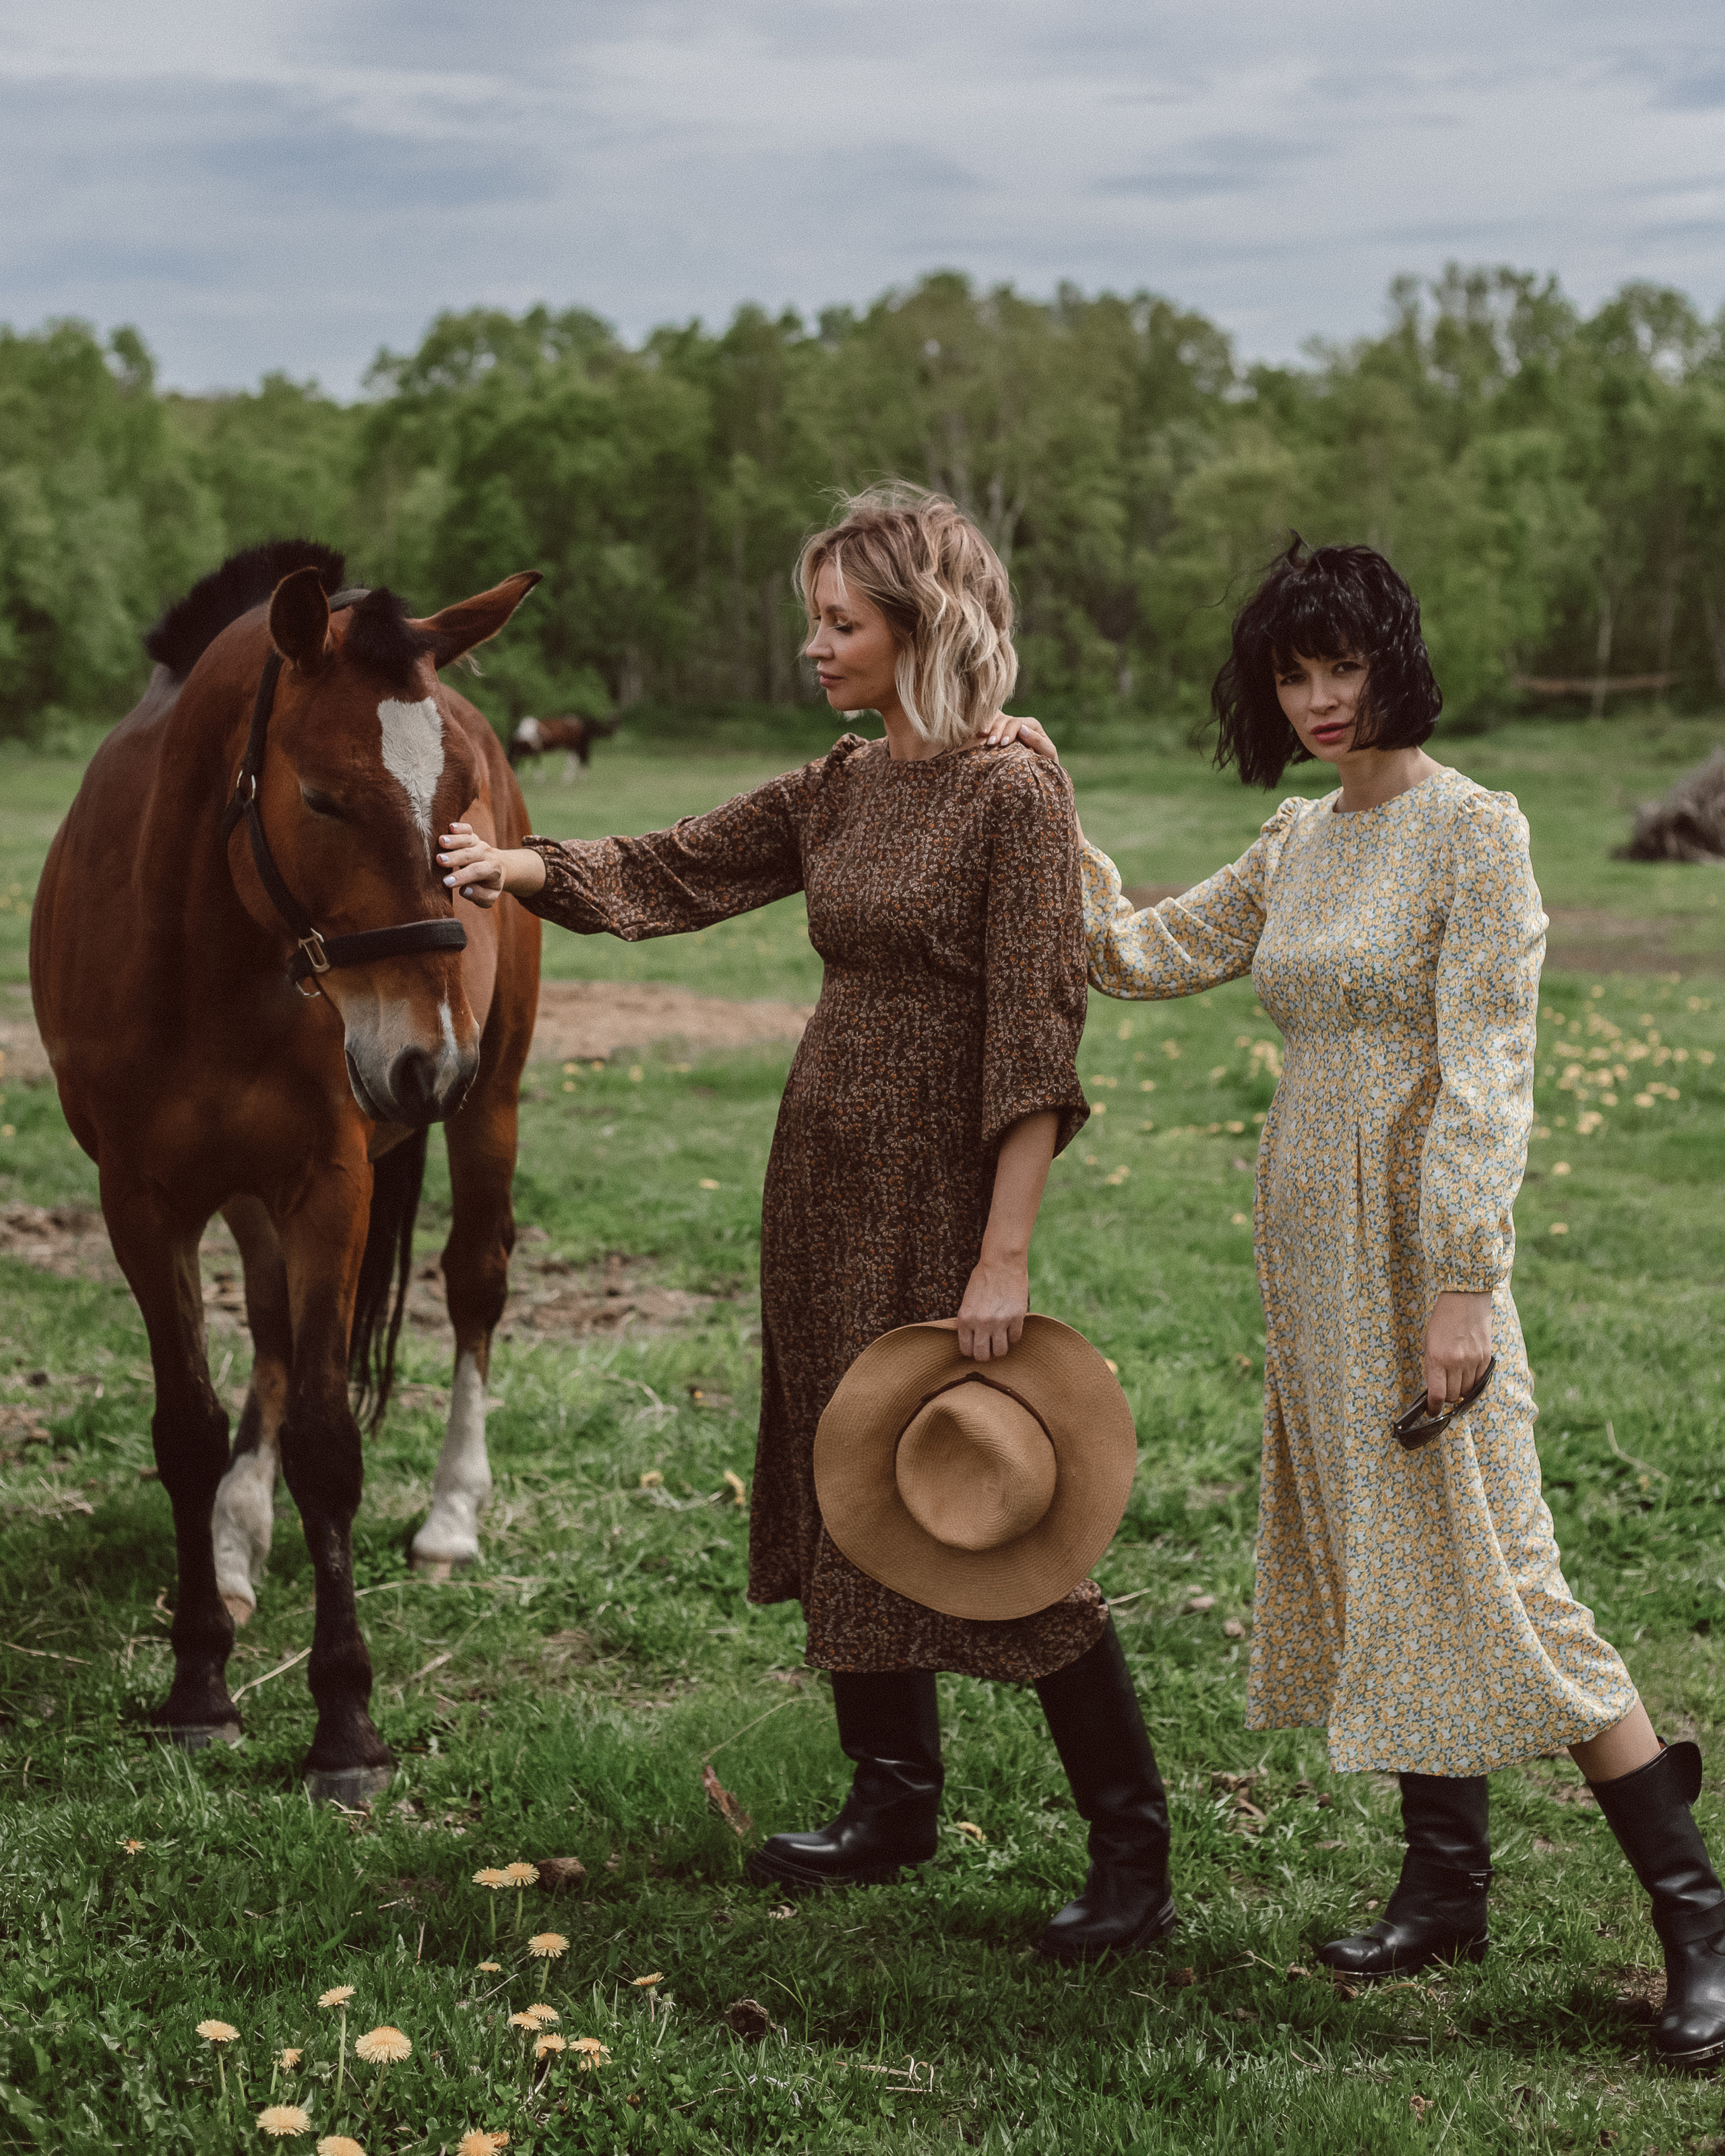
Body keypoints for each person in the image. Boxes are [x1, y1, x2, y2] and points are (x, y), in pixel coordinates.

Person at [992, 539, 1725, 2066]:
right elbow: (1133, 953)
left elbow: (1488, 1068)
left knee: (1507, 1572)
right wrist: (1048, 810)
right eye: (1293, 673)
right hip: (1308, 1263)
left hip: (1418, 1252)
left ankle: (1697, 1920)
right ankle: (1442, 1885)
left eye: (1344, 667)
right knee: (1387, 1557)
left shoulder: (1475, 834)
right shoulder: (1296, 839)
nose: (1322, 699)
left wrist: (1462, 1285)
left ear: (1395, 663)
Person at [435, 488, 1176, 1961]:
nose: (812, 645)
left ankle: (1131, 1855)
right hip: (816, 1178)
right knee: (847, 1471)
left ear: (923, 622)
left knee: (987, 1502)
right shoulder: (842, 785)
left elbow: (1036, 1039)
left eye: (842, 621)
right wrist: (518, 866)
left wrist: (1002, 1253)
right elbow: (679, 864)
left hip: (938, 1192)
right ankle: (891, 1794)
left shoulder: (1012, 798)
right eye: (815, 618)